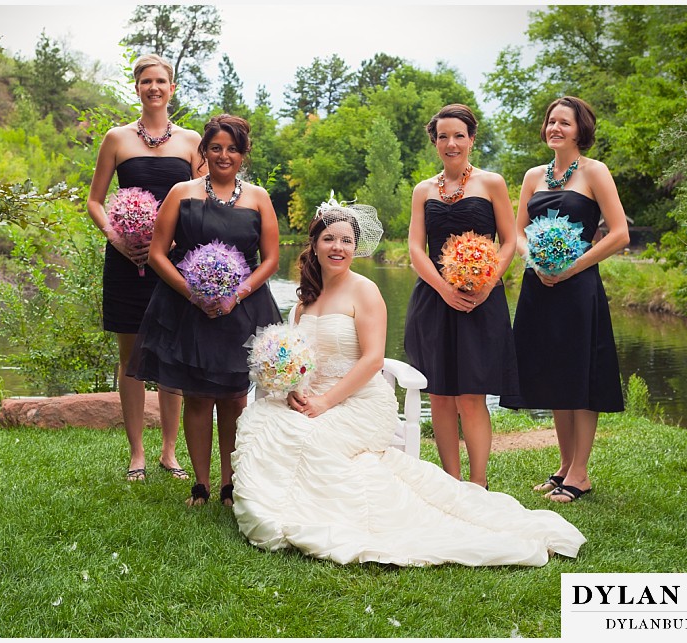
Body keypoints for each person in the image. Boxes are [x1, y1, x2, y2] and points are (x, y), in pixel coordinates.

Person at [231, 197, 585, 567]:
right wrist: (295, 391)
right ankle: (285, 501)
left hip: (358, 402)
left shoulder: (365, 291)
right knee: (266, 422)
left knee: (307, 438)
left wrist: (324, 402)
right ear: (315, 245)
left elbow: (372, 360)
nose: (338, 247)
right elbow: (298, 360)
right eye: (329, 239)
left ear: (356, 247)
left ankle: (322, 511)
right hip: (311, 399)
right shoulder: (304, 302)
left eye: (346, 241)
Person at [127, 114, 281, 507]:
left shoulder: (259, 198)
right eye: (216, 148)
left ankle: (229, 483)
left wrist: (237, 294)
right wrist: (192, 293)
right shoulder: (182, 192)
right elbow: (159, 254)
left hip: (241, 309)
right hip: (188, 308)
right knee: (196, 397)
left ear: (243, 154)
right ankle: (200, 484)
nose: (223, 155)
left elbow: (271, 260)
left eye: (232, 149)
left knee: (234, 397)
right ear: (204, 152)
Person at [500, 96, 629, 503]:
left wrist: (572, 267)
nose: (555, 128)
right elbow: (518, 231)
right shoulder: (533, 175)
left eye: (564, 123)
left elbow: (619, 233)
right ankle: (563, 465)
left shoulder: (595, 172)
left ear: (580, 130)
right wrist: (533, 259)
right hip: (539, 285)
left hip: (578, 288)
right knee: (555, 374)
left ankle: (581, 474)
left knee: (580, 374)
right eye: (551, 122)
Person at [86, 54, 202, 483]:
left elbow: (202, 199)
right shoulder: (116, 138)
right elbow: (95, 200)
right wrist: (116, 237)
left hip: (172, 261)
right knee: (130, 356)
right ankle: (137, 452)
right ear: (136, 88)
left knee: (170, 352)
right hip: (126, 260)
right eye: (145, 81)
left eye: (161, 81)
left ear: (172, 88)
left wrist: (174, 241)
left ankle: (169, 452)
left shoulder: (192, 143)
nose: (154, 88)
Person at [403, 104, 519, 487]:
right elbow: (416, 249)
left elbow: (509, 240)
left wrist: (486, 284)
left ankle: (478, 484)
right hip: (434, 301)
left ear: (471, 138)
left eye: (458, 135)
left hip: (481, 302)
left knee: (471, 395)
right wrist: (443, 288)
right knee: (439, 394)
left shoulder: (492, 183)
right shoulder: (423, 190)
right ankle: (452, 483)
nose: (451, 143)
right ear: (434, 142)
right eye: (442, 136)